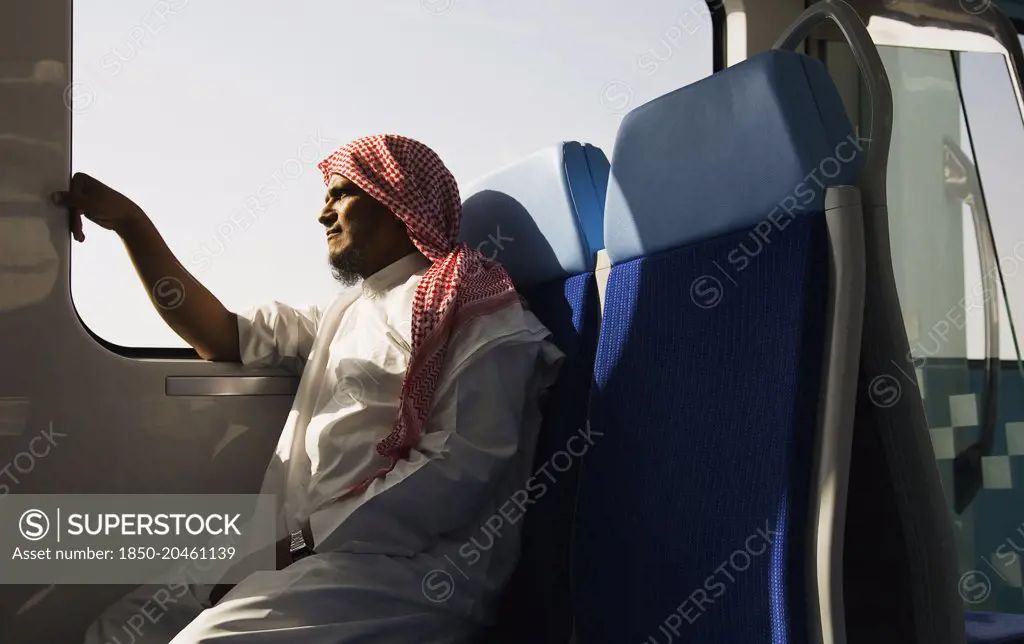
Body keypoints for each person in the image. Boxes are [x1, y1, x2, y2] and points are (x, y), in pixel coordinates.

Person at [54, 134, 564, 643]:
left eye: (342, 194)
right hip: (297, 550)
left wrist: (296, 545)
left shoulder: (477, 311)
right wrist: (129, 224)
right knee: (120, 629)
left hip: (407, 572)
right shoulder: (345, 311)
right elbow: (218, 334)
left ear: (395, 198)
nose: (324, 214)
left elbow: (457, 470)